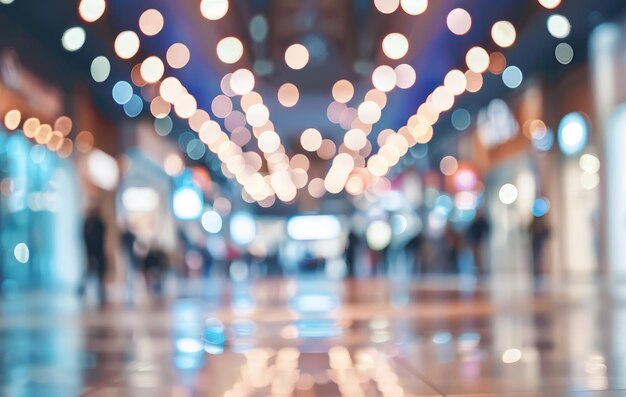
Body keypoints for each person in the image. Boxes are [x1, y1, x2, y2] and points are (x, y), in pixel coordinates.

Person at [80, 208, 108, 304]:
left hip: (97, 251)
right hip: (92, 251)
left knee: (98, 272)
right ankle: (83, 288)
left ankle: (99, 290)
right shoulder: (88, 223)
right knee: (89, 271)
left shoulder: (97, 223)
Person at [466, 209, 490, 275]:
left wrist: (484, 237)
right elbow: (470, 231)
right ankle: (477, 269)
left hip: (480, 241)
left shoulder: (482, 221)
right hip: (474, 241)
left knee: (481, 256)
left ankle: (481, 269)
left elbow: (487, 229)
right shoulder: (474, 221)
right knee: (475, 256)